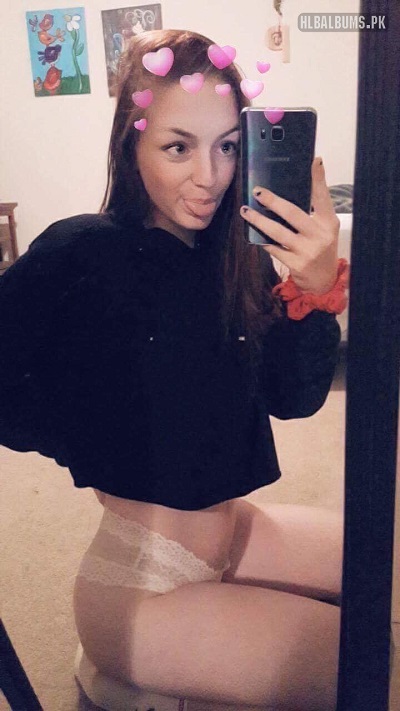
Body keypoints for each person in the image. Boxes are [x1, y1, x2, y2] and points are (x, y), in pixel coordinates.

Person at [0, 28, 350, 711]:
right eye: (178, 147)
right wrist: (84, 435)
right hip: (142, 584)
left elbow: (294, 398)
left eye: (227, 146)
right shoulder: (83, 252)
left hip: (235, 533)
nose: (209, 177)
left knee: (378, 564)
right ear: (131, 147)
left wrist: (310, 293)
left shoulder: (237, 259)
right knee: (366, 659)